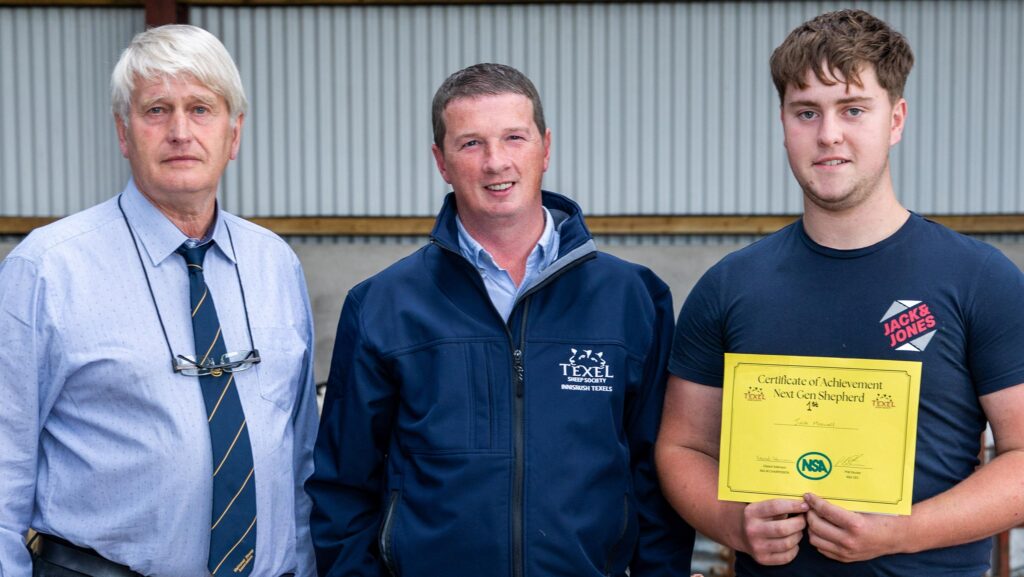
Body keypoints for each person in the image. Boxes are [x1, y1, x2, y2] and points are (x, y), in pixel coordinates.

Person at [655, 8, 1024, 577]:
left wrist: (901, 533)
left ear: (896, 119)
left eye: (853, 109)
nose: (828, 134)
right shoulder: (729, 286)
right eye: (807, 112)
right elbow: (682, 448)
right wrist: (732, 524)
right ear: (783, 122)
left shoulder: (980, 280)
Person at [307, 63, 694, 576]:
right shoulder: (381, 305)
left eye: (514, 137)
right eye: (470, 144)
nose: (496, 162)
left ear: (545, 148)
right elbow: (342, 488)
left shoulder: (633, 298)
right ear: (441, 161)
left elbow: (655, 478)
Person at [0, 25, 317, 577]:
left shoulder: (275, 265)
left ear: (234, 134)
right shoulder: (47, 268)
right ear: (123, 133)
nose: (179, 131)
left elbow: (301, 456)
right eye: (156, 110)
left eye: (201, 109)